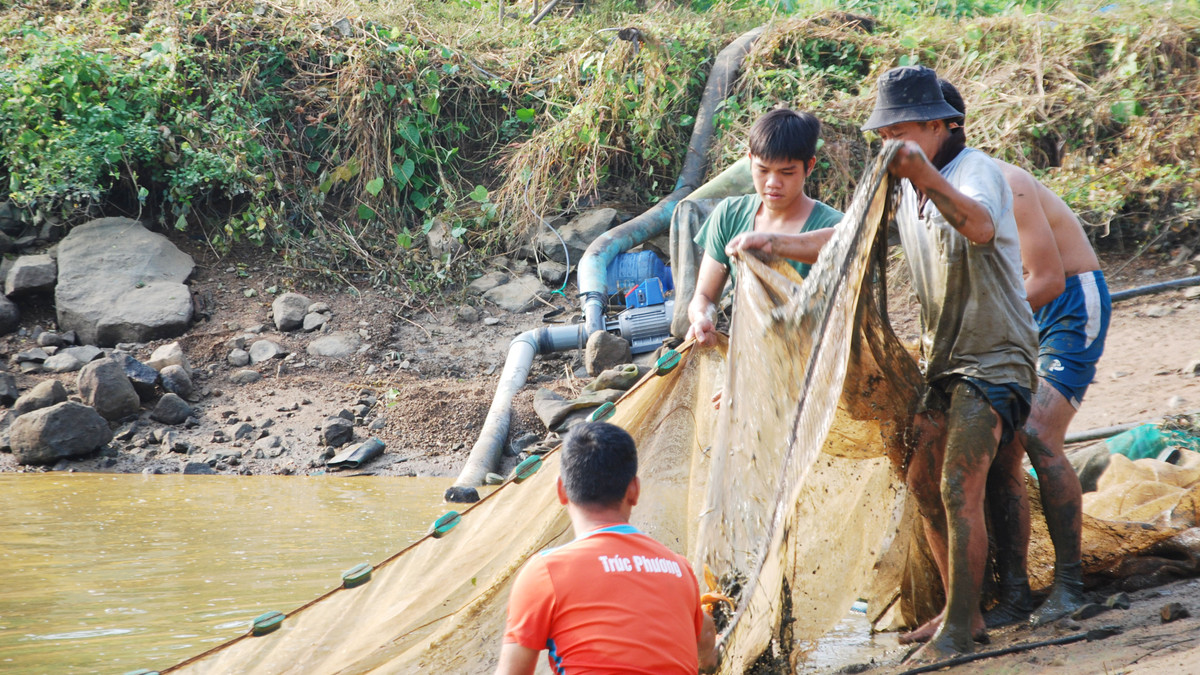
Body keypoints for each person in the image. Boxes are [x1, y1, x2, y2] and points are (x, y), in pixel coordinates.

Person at [727, 65, 1039, 662]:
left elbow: (980, 226)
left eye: (901, 130)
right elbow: (847, 236)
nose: (890, 142)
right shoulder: (900, 186)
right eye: (885, 132)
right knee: (923, 478)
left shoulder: (975, 174)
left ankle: (965, 622)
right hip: (944, 361)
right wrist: (775, 245)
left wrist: (922, 175)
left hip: (995, 358)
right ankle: (959, 608)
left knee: (956, 483)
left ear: (939, 125)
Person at [938, 79, 1109, 627]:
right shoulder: (933, 195)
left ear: (947, 128)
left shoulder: (1004, 183)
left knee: (1036, 432)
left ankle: (1070, 586)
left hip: (1067, 306)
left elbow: (1049, 279)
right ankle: (1014, 594)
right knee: (1001, 447)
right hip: (1013, 315)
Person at [496, 421, 717, 675]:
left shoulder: (545, 572)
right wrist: (710, 660)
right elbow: (706, 634)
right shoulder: (679, 569)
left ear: (561, 491)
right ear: (634, 490)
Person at [685, 107, 843, 346]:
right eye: (762, 170)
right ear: (750, 160)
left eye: (786, 172)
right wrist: (702, 319)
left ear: (809, 166)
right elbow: (705, 296)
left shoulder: (835, 226)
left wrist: (773, 244)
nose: (772, 183)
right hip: (750, 358)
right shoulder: (730, 216)